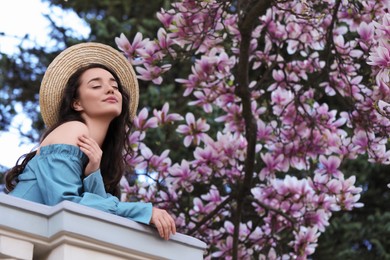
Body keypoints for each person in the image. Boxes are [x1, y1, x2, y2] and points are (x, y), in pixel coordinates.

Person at [4, 42, 176, 241]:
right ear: (76, 103)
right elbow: (66, 205)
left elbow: (95, 217)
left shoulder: (94, 155)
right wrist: (144, 211)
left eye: (114, 86)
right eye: (96, 86)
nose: (110, 90)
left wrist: (93, 173)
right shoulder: (73, 129)